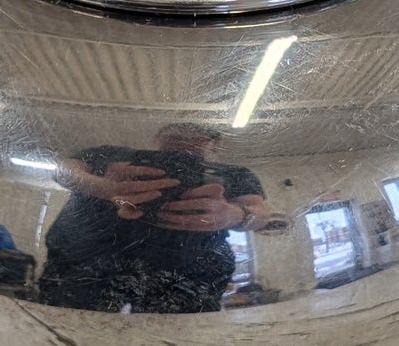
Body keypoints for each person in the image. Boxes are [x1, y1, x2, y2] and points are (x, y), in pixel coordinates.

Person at [38, 123, 267, 314]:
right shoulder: (116, 155)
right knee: (68, 326)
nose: (186, 139)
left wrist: (235, 215)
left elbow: (262, 213)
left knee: (177, 341)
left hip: (188, 270)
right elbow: (62, 170)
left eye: (197, 136)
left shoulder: (233, 173)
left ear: (213, 146)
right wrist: (105, 188)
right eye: (177, 133)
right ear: (157, 138)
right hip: (88, 257)